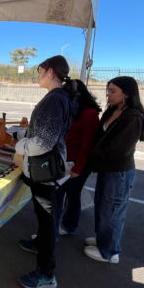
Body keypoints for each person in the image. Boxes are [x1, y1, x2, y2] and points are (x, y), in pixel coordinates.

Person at [14, 55, 78, 288]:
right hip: (46, 169)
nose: (38, 74)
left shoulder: (54, 100)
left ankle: (46, 274)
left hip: (44, 170)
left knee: (48, 220)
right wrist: (20, 135)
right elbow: (41, 132)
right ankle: (39, 243)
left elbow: (43, 142)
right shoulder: (59, 98)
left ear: (51, 72)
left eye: (40, 70)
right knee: (44, 217)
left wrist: (18, 146)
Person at [84, 76, 144, 263]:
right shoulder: (112, 111)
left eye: (113, 91)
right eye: (108, 91)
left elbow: (120, 150)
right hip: (105, 169)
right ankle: (103, 240)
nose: (108, 95)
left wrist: (92, 155)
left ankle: (110, 252)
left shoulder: (133, 116)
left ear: (126, 94)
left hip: (119, 172)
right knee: (103, 207)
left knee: (113, 211)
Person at [54, 79, 101, 238]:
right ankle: (53, 226)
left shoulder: (90, 114)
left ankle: (69, 225)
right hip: (62, 160)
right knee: (58, 194)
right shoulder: (68, 110)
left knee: (73, 195)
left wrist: (77, 168)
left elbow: (88, 143)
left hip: (77, 163)